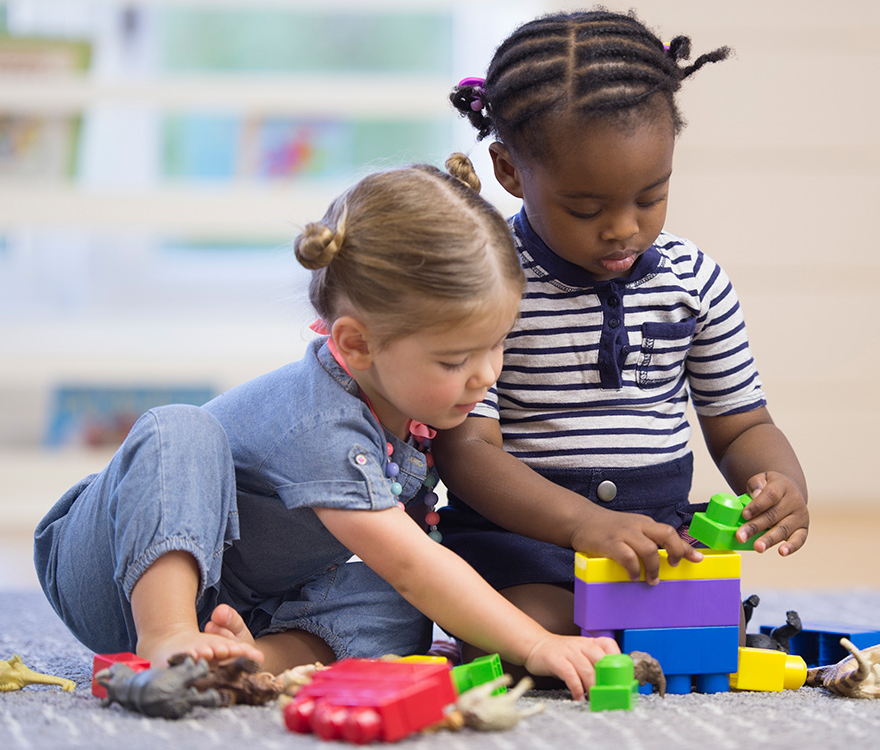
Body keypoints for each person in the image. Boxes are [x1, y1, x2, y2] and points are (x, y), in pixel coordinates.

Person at [33, 154, 617, 700]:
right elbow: (416, 563)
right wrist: (536, 642)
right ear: (357, 344)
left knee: (401, 609)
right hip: (112, 569)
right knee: (180, 430)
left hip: (247, 597)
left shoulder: (408, 406)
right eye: (454, 361)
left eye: (496, 346)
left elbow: (410, 570)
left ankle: (246, 661)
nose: (485, 376)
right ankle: (168, 637)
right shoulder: (323, 424)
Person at [435, 10, 810, 662]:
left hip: (653, 542)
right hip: (524, 542)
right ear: (510, 172)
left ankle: (637, 626)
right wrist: (583, 525)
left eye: (651, 196)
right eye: (586, 208)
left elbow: (742, 425)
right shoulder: (489, 287)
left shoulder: (696, 282)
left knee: (701, 641)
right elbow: (466, 452)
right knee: (535, 630)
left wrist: (778, 482)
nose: (624, 229)